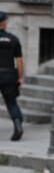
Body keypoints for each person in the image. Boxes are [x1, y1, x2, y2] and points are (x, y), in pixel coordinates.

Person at [0, 12, 24, 141]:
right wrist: (20, 77)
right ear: (4, 23)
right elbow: (19, 61)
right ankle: (17, 124)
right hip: (9, 74)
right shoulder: (13, 39)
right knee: (11, 102)